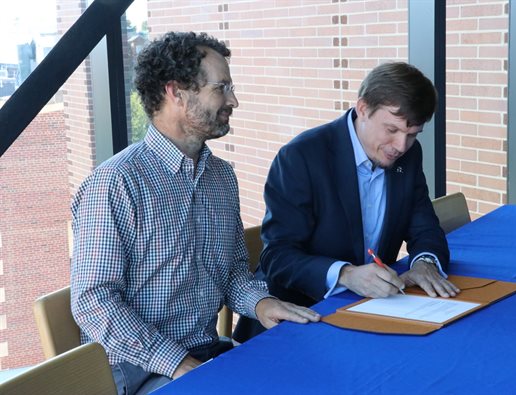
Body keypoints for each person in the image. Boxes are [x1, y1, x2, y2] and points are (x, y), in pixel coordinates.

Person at [70, 31, 320, 395]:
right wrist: (177, 363)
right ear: (176, 93)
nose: (233, 100)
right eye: (221, 88)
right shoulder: (115, 183)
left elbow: (233, 271)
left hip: (206, 354)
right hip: (138, 372)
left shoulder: (221, 177)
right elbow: (94, 302)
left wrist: (263, 304)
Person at [234, 62, 460, 342]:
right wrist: (345, 275)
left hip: (372, 313)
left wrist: (425, 262)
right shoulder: (301, 157)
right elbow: (278, 256)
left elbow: (425, 228)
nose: (401, 146)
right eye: (391, 129)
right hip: (299, 318)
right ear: (363, 108)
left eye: (412, 135)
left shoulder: (409, 157)